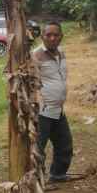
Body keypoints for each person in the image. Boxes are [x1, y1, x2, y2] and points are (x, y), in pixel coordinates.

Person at [33, 21, 74, 183]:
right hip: (42, 111)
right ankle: (35, 180)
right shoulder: (35, 55)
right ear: (42, 37)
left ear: (61, 37)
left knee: (65, 144)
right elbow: (29, 83)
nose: (52, 38)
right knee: (38, 148)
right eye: (48, 35)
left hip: (58, 109)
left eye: (55, 35)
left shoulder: (61, 53)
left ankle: (58, 174)